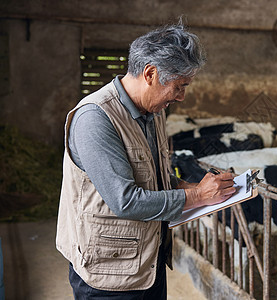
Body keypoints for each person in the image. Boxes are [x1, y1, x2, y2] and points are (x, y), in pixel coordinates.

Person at [56, 20, 236, 299]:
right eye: (179, 86)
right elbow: (125, 200)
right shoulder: (95, 118)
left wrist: (194, 188)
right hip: (108, 274)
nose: (181, 97)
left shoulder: (152, 113)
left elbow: (151, 176)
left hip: (147, 261)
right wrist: (199, 196)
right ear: (150, 74)